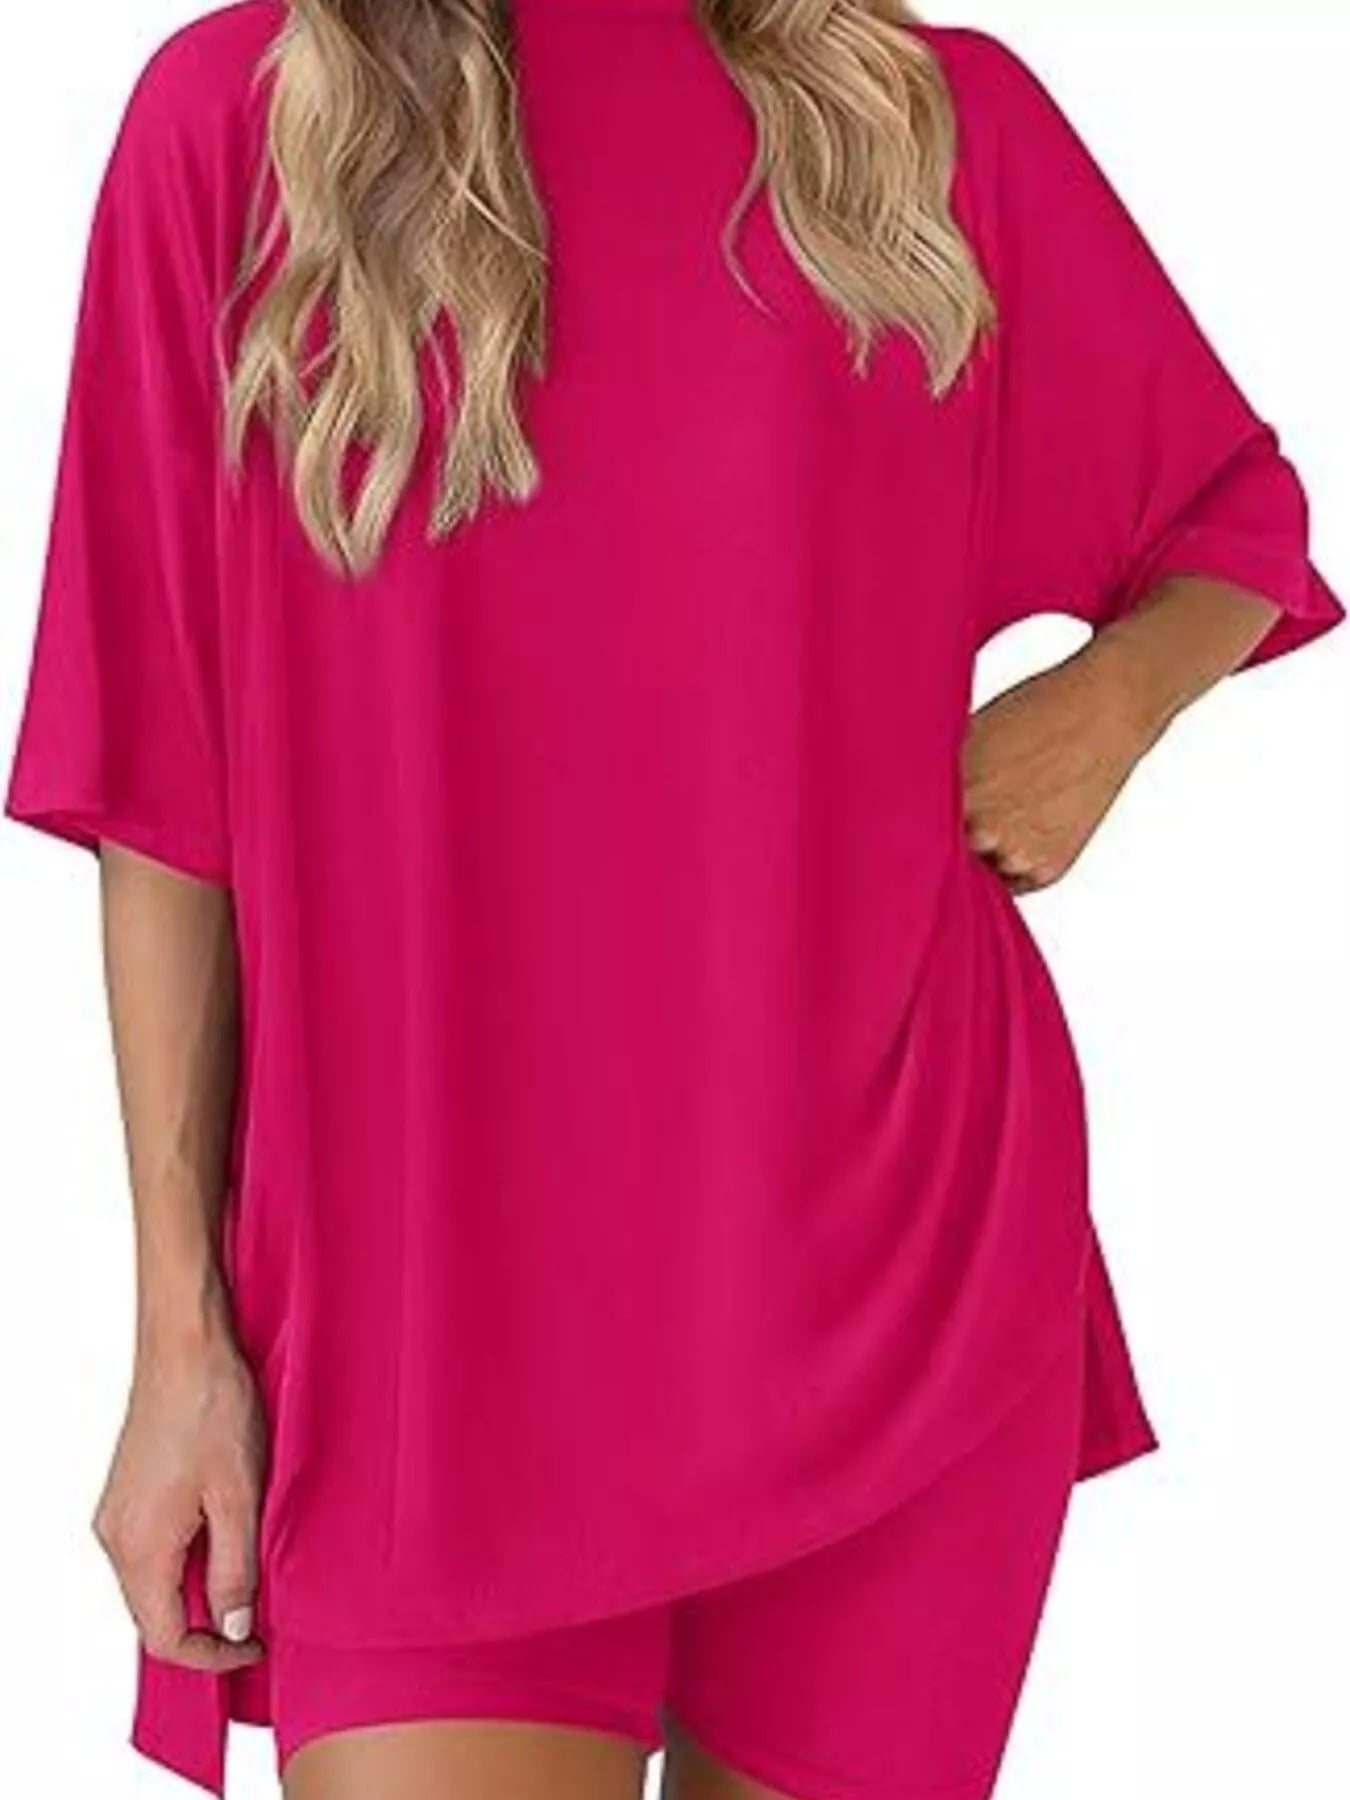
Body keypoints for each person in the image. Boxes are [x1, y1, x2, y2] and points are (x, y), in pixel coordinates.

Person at [4, 2, 1342, 1797]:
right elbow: (165, 783)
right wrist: (180, 1335)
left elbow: (1231, 518)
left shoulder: (920, 122)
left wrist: (1102, 712)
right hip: (418, 1346)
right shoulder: (245, 120)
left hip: (891, 1272)